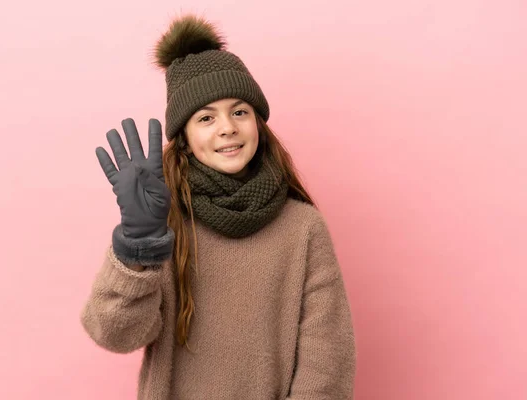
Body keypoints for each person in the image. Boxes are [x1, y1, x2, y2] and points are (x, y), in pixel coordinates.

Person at [81, 14, 356, 399]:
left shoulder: (302, 227)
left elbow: (326, 363)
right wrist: (137, 247)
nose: (227, 127)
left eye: (239, 111)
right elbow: (114, 333)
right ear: (184, 139)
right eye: (206, 117)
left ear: (257, 123)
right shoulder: (164, 223)